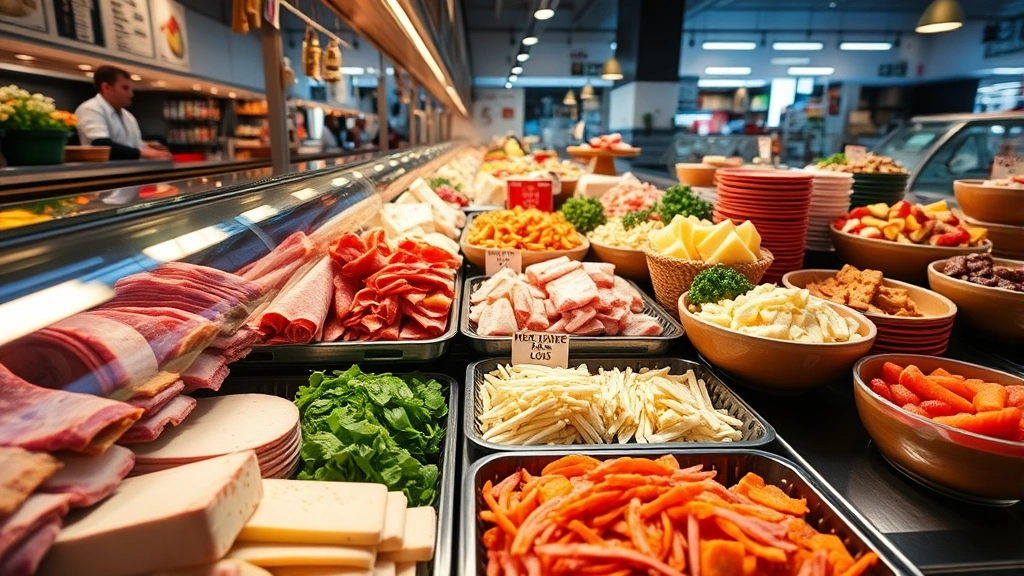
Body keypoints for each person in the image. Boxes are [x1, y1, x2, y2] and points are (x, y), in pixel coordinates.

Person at [75, 65, 172, 161]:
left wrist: (155, 151)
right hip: (102, 174)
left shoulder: (128, 116)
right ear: (106, 87)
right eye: (125, 88)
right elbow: (100, 145)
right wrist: (142, 153)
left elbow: (137, 146)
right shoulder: (91, 109)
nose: (131, 94)